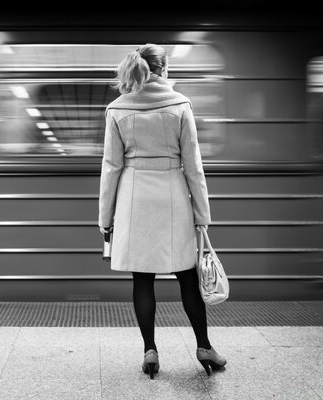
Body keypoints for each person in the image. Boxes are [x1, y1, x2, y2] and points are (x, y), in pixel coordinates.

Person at [98, 43, 226, 378]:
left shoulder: (117, 109)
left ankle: (150, 352)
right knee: (187, 276)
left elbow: (111, 167)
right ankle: (204, 346)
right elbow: (193, 166)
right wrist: (202, 215)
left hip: (133, 198)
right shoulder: (180, 105)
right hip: (172, 195)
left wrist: (105, 218)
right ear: (164, 69)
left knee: (142, 280)